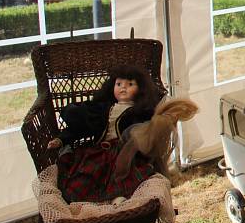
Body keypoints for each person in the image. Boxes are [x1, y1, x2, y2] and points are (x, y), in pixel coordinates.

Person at [47, 65, 160, 203]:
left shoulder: (139, 112)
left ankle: (117, 198)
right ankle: (89, 199)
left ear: (141, 89)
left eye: (130, 84)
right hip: (98, 152)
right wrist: (62, 139)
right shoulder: (103, 108)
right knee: (88, 174)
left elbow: (147, 130)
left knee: (120, 175)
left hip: (122, 153)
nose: (123, 88)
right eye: (118, 84)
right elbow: (82, 127)